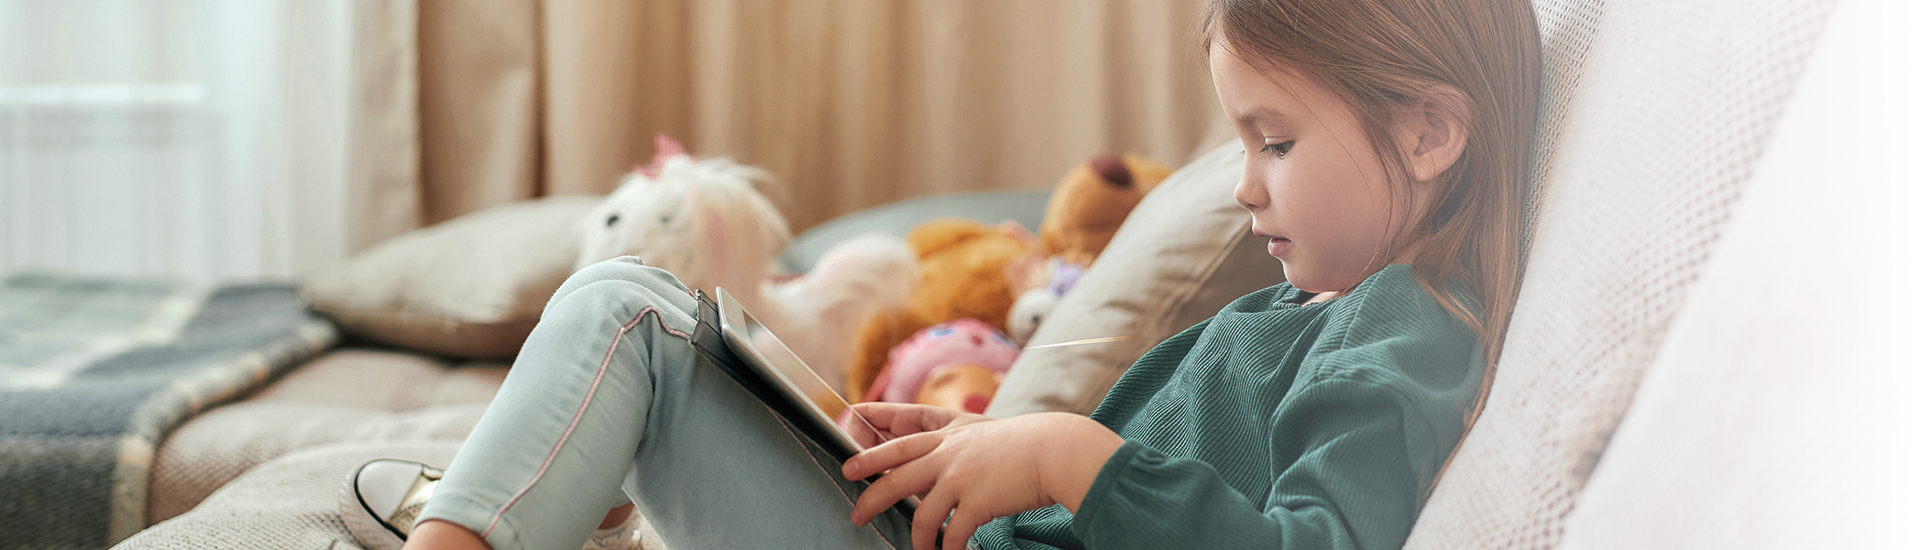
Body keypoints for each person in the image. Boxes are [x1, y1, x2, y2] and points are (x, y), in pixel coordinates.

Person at [340, 0, 1541, 548]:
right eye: (1241, 143)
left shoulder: (1407, 332)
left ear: (1433, 133)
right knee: (682, 343)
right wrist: (976, 459)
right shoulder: (1297, 312)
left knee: (629, 313)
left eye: (1274, 141)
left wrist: (1070, 455)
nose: (1242, 185)